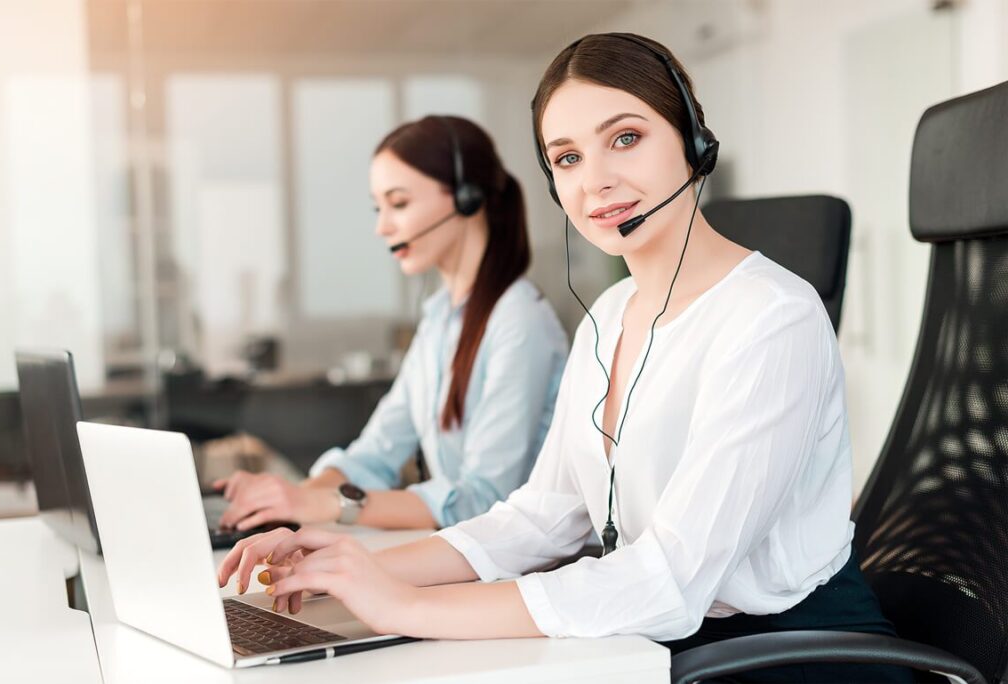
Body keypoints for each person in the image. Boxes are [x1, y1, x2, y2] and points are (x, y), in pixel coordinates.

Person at [218, 34, 910, 682]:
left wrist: (403, 605)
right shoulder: (608, 317)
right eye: (568, 158)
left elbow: (669, 577)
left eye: (627, 139)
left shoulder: (772, 318)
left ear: (694, 143)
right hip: (660, 643)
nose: (595, 181)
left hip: (790, 655)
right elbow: (541, 519)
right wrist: (351, 564)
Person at [215, 115, 567, 531]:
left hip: (519, 570)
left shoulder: (519, 321)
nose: (382, 227)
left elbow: (482, 499)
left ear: (467, 198)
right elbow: (375, 454)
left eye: (398, 203)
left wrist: (325, 504)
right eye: (378, 208)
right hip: (467, 558)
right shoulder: (440, 322)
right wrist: (290, 505)